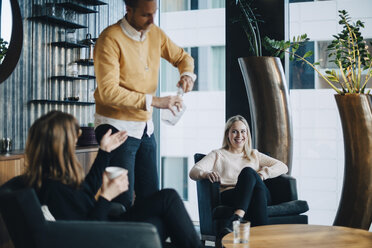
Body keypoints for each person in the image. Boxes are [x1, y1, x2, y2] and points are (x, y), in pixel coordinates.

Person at [16, 111, 202, 248]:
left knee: (163, 209)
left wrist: (104, 152)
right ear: (60, 144)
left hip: (107, 223)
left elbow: (87, 190)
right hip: (105, 233)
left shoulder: (54, 178)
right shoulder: (53, 189)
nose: (76, 140)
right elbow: (85, 234)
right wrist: (106, 196)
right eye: (73, 137)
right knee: (166, 202)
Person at [93, 0, 197, 210]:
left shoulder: (155, 34)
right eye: (145, 15)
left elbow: (182, 57)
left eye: (154, 13)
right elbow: (108, 92)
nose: (152, 20)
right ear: (128, 10)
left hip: (144, 129)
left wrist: (186, 74)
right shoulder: (109, 38)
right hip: (116, 127)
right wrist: (156, 101)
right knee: (120, 201)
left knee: (150, 198)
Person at [189, 115, 288, 235]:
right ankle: (262, 238)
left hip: (259, 192)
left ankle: (237, 218)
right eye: (234, 131)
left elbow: (283, 166)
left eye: (243, 131)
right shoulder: (218, 154)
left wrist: (262, 174)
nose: (239, 136)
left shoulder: (254, 154)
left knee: (249, 173)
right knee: (254, 187)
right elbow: (193, 171)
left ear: (247, 134)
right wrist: (205, 173)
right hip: (232, 194)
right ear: (227, 134)